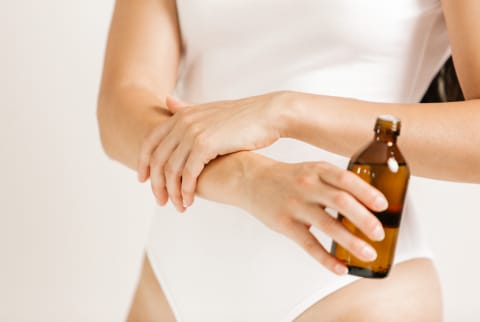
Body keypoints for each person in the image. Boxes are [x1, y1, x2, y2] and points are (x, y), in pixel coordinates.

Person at [96, 0, 479, 321]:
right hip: (171, 282)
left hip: (348, 289)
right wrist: (248, 178)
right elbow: (121, 105)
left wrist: (285, 112)